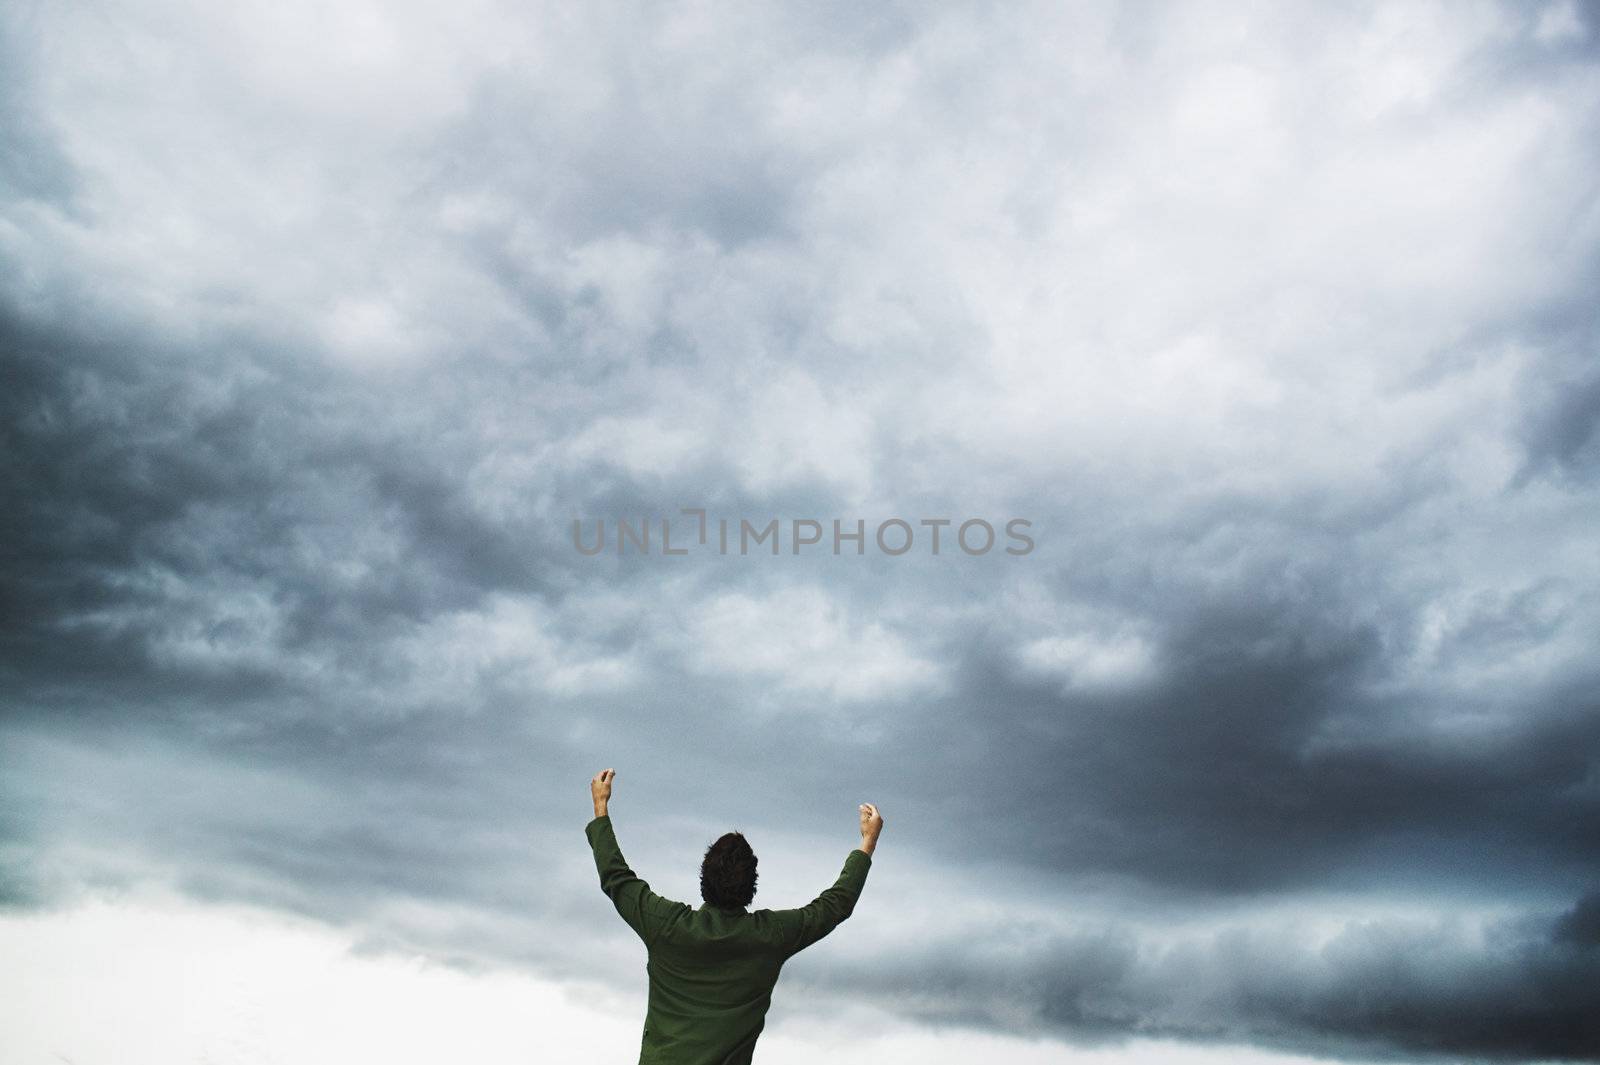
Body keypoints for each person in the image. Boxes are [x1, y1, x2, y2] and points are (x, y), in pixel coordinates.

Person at [585, 767, 883, 1064]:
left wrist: (601, 806)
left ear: (704, 878)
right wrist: (867, 843)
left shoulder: (666, 926)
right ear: (751, 885)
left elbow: (617, 878)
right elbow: (834, 906)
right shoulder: (770, 936)